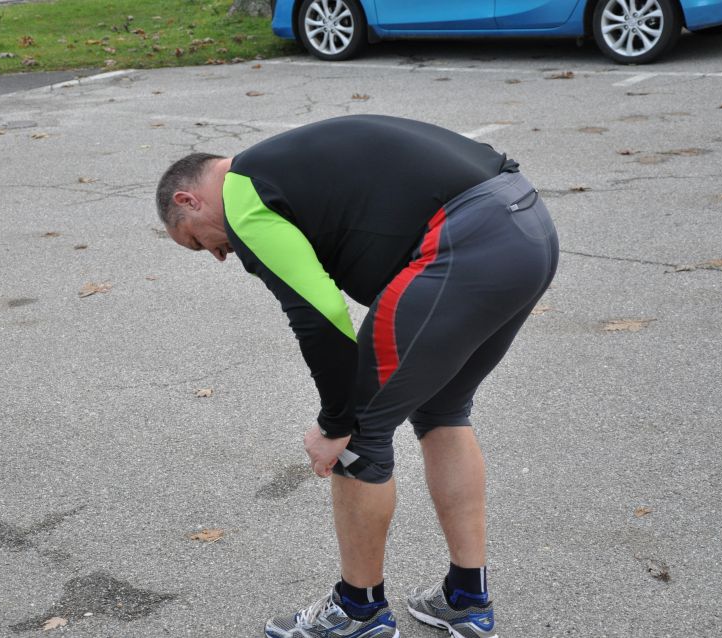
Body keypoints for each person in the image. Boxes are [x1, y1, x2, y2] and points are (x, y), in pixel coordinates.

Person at [156, 115, 558, 638]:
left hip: (465, 245)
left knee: (360, 435)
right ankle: (466, 597)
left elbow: (319, 314)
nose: (217, 254)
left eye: (197, 242)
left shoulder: (244, 196)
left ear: (190, 201)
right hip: (529, 229)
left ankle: (358, 611)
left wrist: (334, 422)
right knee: (442, 409)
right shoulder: (285, 165)